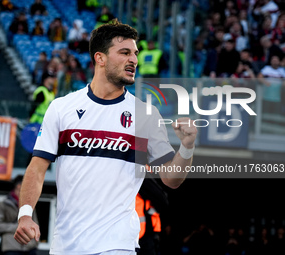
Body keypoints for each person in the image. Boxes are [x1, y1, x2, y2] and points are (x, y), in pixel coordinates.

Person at [14, 19, 197, 255]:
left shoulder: (146, 115)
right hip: (66, 245)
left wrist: (187, 147)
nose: (134, 59)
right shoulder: (62, 108)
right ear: (99, 58)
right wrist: (25, 215)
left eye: (135, 53)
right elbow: (37, 169)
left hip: (117, 244)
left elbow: (171, 179)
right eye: (124, 52)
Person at [0, 175, 39, 255]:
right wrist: (17, 227)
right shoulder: (4, 204)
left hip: (30, 247)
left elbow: (35, 224)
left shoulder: (30, 204)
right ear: (19, 186)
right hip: (11, 247)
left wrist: (35, 242)